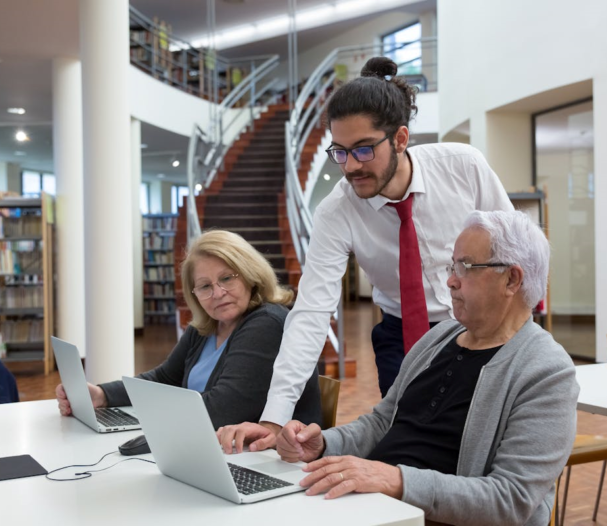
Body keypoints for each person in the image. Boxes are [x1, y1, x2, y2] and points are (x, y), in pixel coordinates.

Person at [228, 55, 513, 447]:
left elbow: (517, 254)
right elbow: (311, 312)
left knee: (484, 442)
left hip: (481, 324)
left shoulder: (463, 167)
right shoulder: (337, 210)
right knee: (408, 442)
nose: (349, 167)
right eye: (340, 152)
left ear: (400, 138)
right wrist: (275, 418)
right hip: (401, 334)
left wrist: (522, 336)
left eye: (363, 150)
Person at [273, 210, 579, 526]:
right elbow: (382, 423)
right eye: (452, 265)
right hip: (374, 508)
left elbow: (510, 500)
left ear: (512, 279)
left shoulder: (546, 371)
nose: (451, 279)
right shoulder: (439, 337)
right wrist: (325, 443)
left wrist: (396, 480)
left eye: (466, 266)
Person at [55, 230, 322, 430]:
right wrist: (103, 395)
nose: (218, 293)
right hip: (217, 450)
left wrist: (148, 420)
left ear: (250, 275)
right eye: (205, 286)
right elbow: (164, 378)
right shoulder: (206, 327)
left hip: (272, 464)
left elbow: (222, 409)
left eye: (227, 278)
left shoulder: (267, 323)